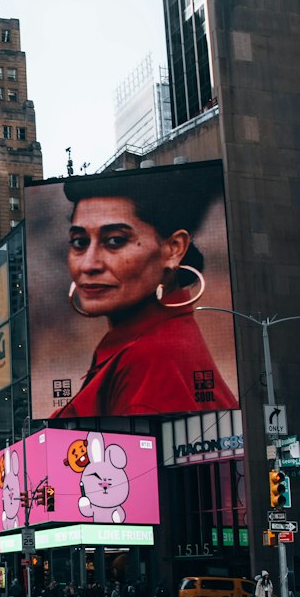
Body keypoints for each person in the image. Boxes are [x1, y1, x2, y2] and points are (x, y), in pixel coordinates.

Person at [56, 175, 238, 418]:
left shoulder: (153, 360)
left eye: (114, 241)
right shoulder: (139, 345)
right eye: (79, 242)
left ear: (174, 248)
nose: (88, 264)